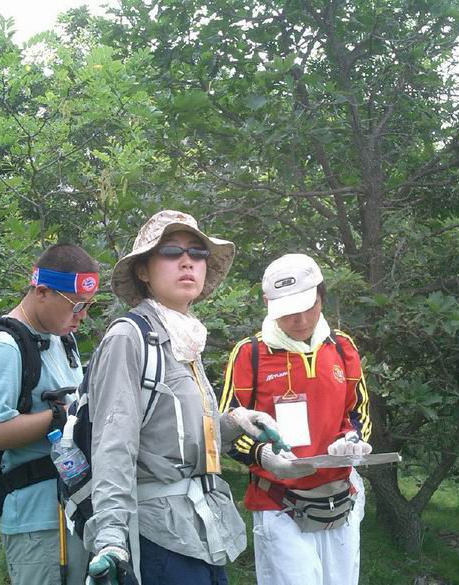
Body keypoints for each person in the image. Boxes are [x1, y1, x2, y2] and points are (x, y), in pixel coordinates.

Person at [83, 210, 282, 585]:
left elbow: (179, 439)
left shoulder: (185, 337)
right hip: (159, 537)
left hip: (202, 530)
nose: (187, 261)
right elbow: (113, 443)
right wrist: (110, 536)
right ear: (143, 270)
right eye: (171, 251)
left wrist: (235, 422)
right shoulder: (129, 337)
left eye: (198, 253)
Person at [219, 253, 372, 585]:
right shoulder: (250, 353)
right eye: (287, 310)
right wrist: (263, 455)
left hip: (340, 498)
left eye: (308, 306)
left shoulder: (342, 348)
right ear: (268, 304)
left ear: (322, 297)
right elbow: (227, 427)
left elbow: (357, 412)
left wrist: (353, 440)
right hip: (279, 502)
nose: (300, 319)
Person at [0, 243, 99, 585]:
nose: (83, 315)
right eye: (77, 305)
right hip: (38, 522)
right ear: (42, 292)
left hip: (75, 512)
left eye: (89, 305)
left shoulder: (61, 339)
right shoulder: (2, 346)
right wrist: (62, 416)